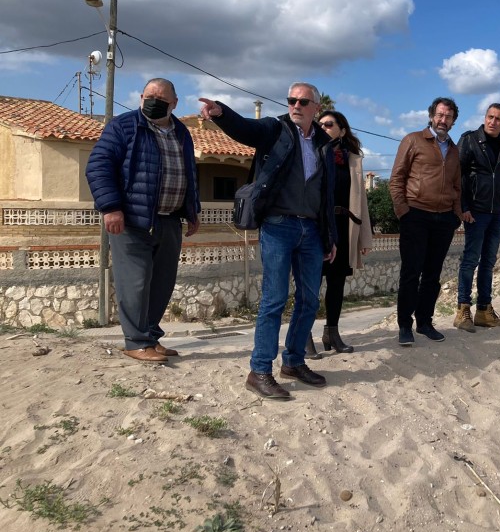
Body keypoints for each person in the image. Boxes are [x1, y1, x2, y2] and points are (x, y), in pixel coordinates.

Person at [199, 84, 337, 400]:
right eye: (292, 100)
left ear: (316, 107)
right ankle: (259, 371)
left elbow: (327, 196)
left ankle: (293, 363)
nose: (296, 105)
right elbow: (247, 129)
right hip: (278, 226)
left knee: (309, 300)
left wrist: (331, 236)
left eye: (303, 101)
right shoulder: (276, 129)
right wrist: (221, 112)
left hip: (312, 231)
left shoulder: (324, 144)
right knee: (274, 300)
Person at [85, 78, 201, 362]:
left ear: (174, 103)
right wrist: (111, 207)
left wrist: (192, 210)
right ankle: (135, 342)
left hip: (170, 221)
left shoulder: (182, 132)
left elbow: (188, 173)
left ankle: (150, 337)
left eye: (161, 98)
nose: (153, 101)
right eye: (149, 96)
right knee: (135, 283)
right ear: (140, 98)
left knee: (162, 283)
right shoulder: (124, 126)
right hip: (132, 222)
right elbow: (98, 165)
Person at [389, 97, 463, 346]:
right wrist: (403, 212)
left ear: (453, 120)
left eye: (448, 116)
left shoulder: (454, 150)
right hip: (416, 215)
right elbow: (397, 177)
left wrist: (455, 215)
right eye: (440, 115)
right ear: (432, 115)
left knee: (432, 275)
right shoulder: (413, 140)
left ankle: (424, 322)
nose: (443, 120)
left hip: (444, 219)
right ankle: (404, 326)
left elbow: (456, 185)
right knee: (411, 273)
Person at [306, 109, 372, 358]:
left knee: (336, 284)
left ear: (342, 131)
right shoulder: (311, 155)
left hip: (345, 227)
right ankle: (304, 336)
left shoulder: (353, 160)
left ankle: (331, 333)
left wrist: (365, 237)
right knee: (311, 284)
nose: (323, 128)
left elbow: (362, 202)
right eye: (320, 124)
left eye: (329, 124)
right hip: (316, 228)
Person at [454, 103, 500, 332]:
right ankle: (462, 310)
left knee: (488, 263)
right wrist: (463, 207)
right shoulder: (469, 140)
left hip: (496, 213)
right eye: (490, 117)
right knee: (470, 261)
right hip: (475, 212)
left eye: (498, 119)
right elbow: (457, 176)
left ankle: (484, 311)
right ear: (485, 117)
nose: (493, 122)